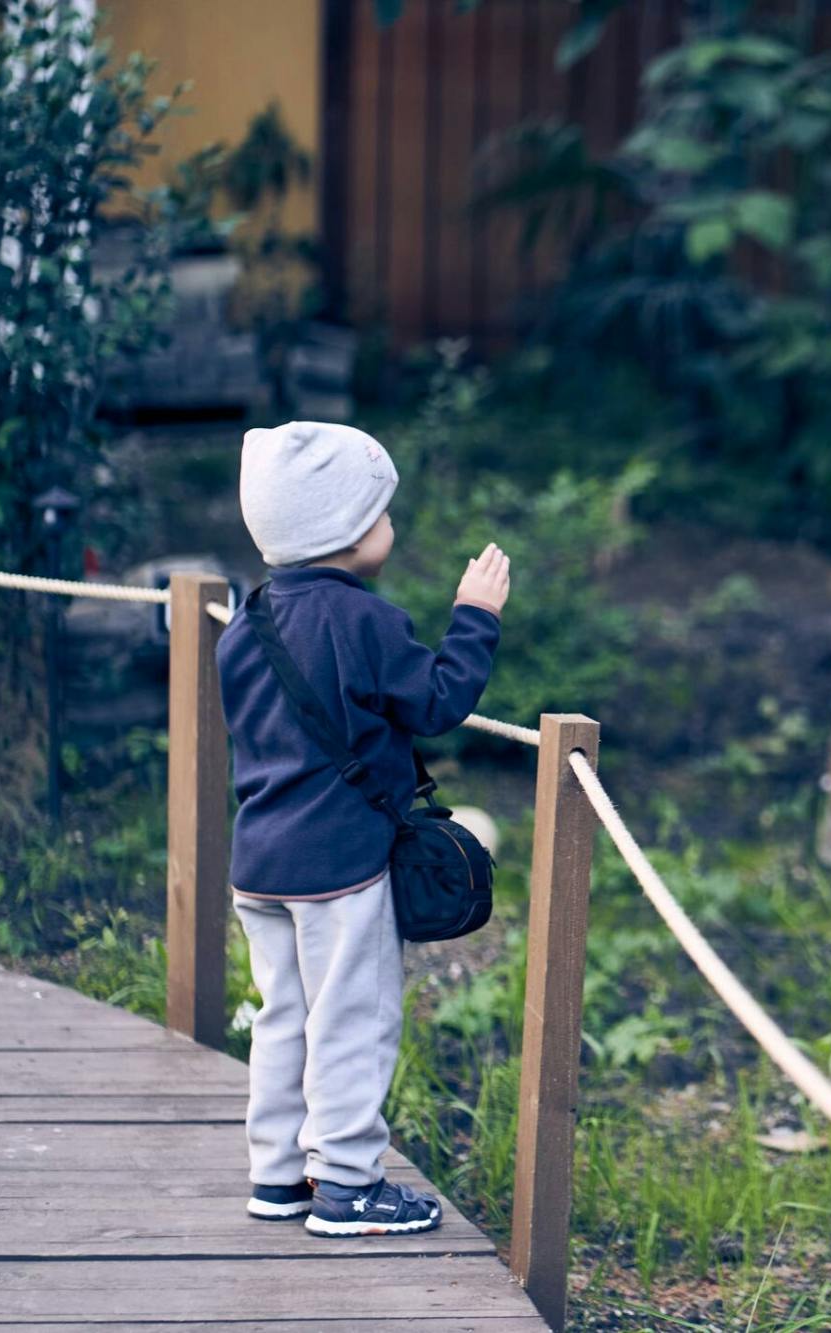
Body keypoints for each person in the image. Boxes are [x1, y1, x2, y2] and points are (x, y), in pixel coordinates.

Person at [217, 420, 510, 1236]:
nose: (391, 526)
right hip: (339, 866)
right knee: (353, 1017)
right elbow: (439, 700)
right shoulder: (366, 623)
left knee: (283, 1014)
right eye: (382, 513)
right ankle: (346, 1181)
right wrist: (475, 616)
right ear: (344, 533)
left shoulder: (245, 625)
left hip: (261, 861)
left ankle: (277, 1175)